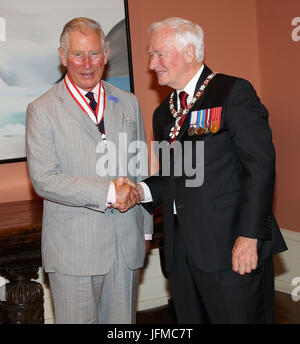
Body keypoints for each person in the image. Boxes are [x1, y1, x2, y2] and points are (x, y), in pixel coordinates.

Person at [118, 17, 287, 324]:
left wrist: (249, 236)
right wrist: (138, 191)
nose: (152, 64)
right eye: (150, 55)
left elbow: (260, 167)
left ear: (190, 53)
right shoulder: (163, 113)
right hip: (181, 254)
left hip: (231, 248)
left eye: (159, 54)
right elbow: (173, 177)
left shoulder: (232, 92)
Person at [26, 17, 152, 324]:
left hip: (126, 247)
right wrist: (109, 192)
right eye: (78, 54)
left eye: (94, 53)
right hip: (74, 254)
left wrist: (145, 229)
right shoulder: (41, 110)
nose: (87, 64)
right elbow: (45, 180)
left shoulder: (128, 103)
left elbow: (140, 168)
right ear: (62, 56)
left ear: (107, 54)